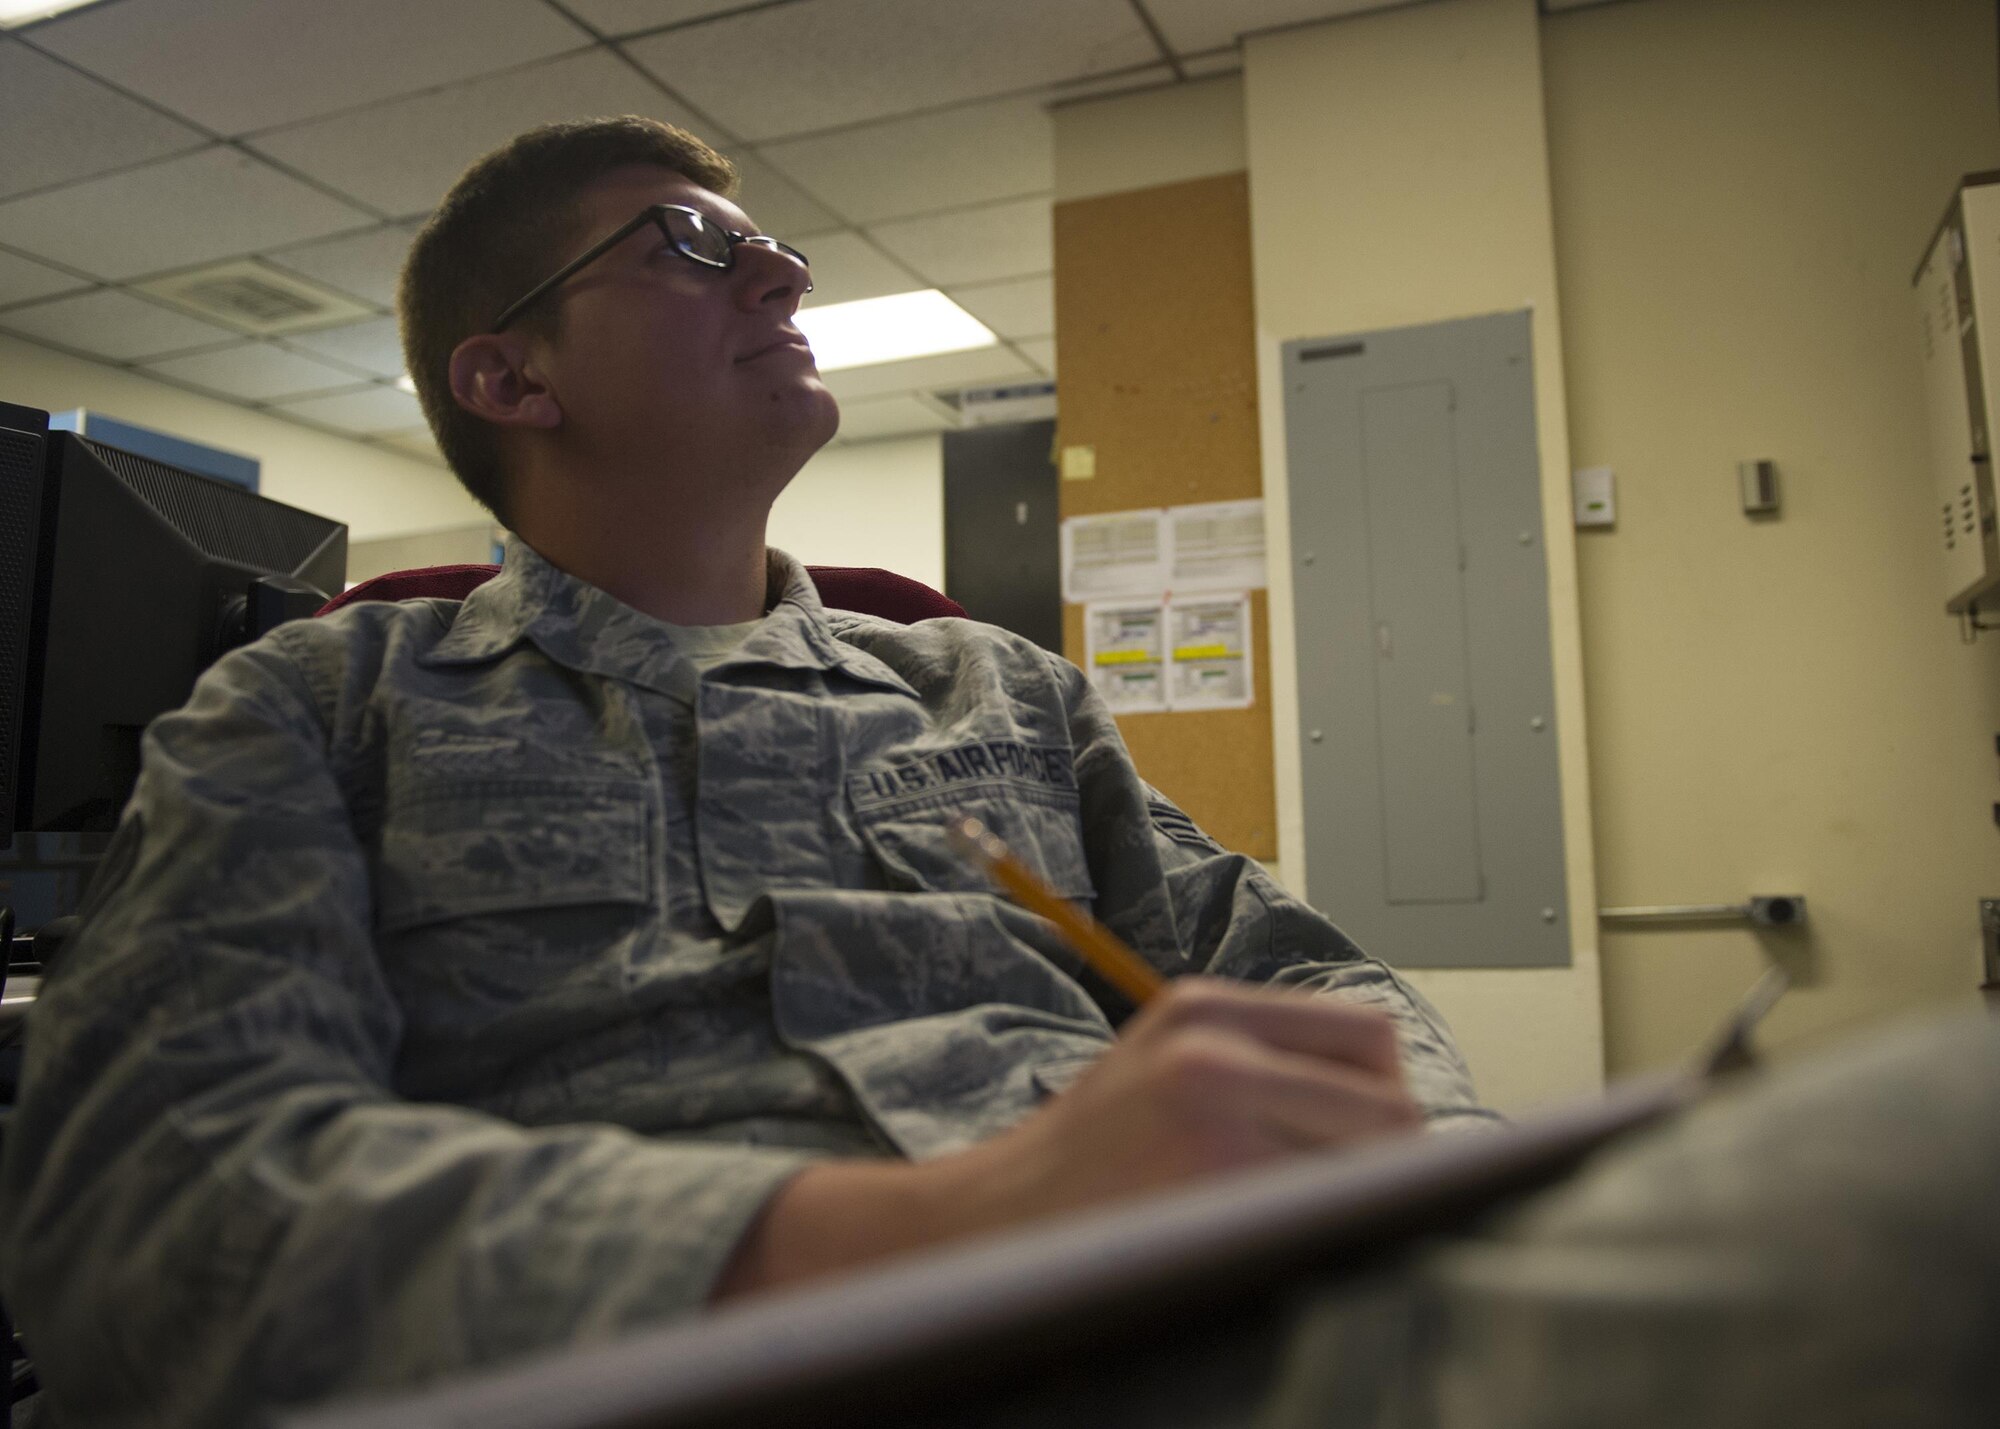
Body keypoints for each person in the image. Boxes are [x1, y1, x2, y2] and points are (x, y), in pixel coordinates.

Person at [0, 117, 1492, 1427]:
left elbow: (1312, 983)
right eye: (696, 246)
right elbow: (153, 1207)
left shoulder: (998, 691)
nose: (784, 278)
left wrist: (1427, 1183)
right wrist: (953, 1225)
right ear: (512, 377)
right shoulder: (327, 707)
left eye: (773, 248)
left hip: (1215, 1344)